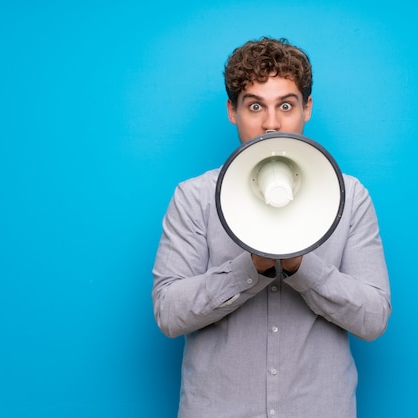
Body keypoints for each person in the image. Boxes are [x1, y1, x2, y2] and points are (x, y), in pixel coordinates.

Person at [152, 37, 391, 418]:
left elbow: (374, 317)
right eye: (254, 106)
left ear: (306, 108)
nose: (271, 123)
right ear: (232, 111)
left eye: (285, 105)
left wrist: (301, 267)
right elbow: (169, 313)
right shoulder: (194, 197)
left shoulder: (351, 197)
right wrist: (251, 268)